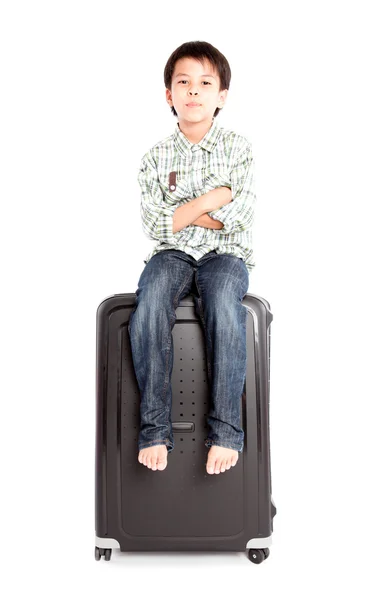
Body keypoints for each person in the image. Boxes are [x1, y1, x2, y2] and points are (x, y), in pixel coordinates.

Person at [128, 40, 257, 476]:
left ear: (222, 96)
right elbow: (157, 226)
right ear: (169, 94)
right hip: (172, 254)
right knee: (148, 306)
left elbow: (238, 219)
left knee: (223, 305)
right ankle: (154, 429)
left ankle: (225, 431)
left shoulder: (238, 149)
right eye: (183, 82)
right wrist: (214, 198)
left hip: (226, 254)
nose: (194, 91)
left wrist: (184, 213)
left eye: (206, 83)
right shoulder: (153, 158)